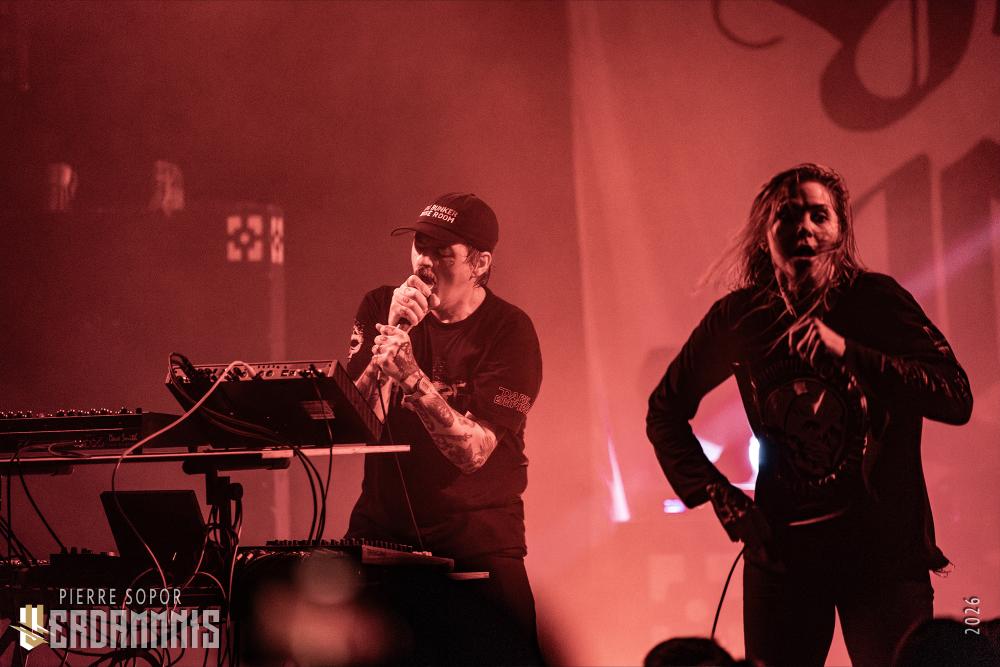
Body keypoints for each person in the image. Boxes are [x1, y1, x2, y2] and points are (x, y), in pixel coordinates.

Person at [646, 164, 973, 667]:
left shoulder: (876, 301)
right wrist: (722, 498)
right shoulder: (742, 317)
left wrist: (851, 353)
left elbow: (955, 396)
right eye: (788, 216)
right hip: (785, 557)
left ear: (840, 231)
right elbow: (664, 410)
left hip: (881, 554)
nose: (804, 228)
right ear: (765, 235)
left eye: (819, 215)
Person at [344, 192, 543, 662]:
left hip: (477, 544)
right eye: (420, 246)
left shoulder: (510, 331)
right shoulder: (380, 306)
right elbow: (354, 428)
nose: (424, 264)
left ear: (479, 263)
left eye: (442, 253)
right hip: (382, 533)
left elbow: (474, 453)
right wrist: (391, 339)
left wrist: (411, 377)